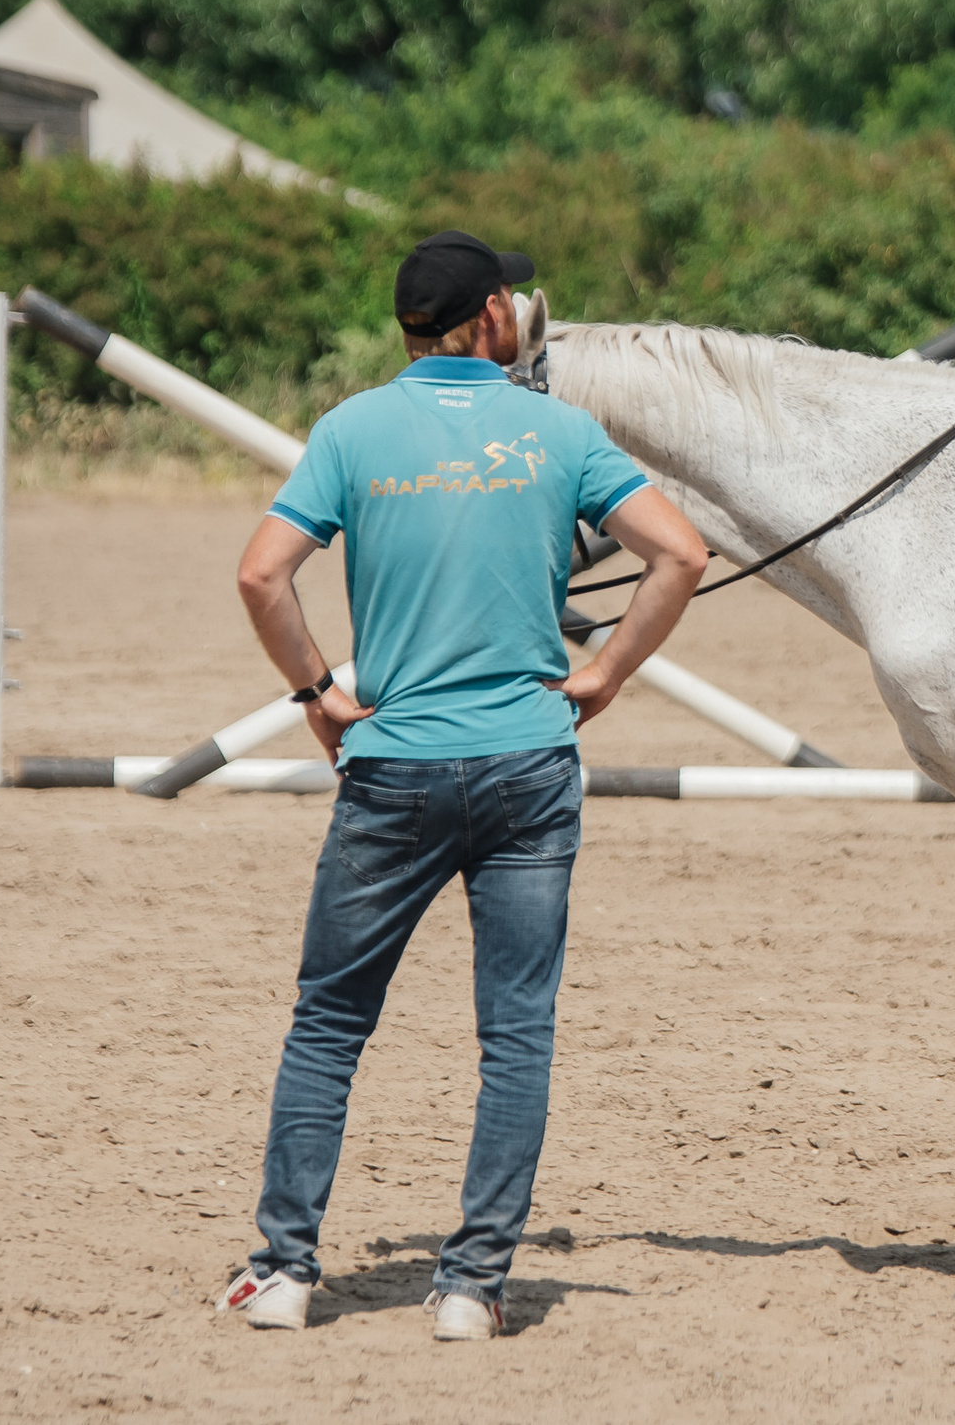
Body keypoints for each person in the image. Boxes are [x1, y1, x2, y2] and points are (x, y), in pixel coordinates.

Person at [217, 230, 708, 1340]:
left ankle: (286, 1270)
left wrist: (315, 693)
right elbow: (679, 554)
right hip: (530, 764)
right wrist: (606, 673)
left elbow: (260, 572)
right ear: (493, 316)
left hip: (392, 768)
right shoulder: (558, 431)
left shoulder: (351, 430)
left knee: (330, 1023)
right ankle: (473, 1287)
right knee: (516, 1034)